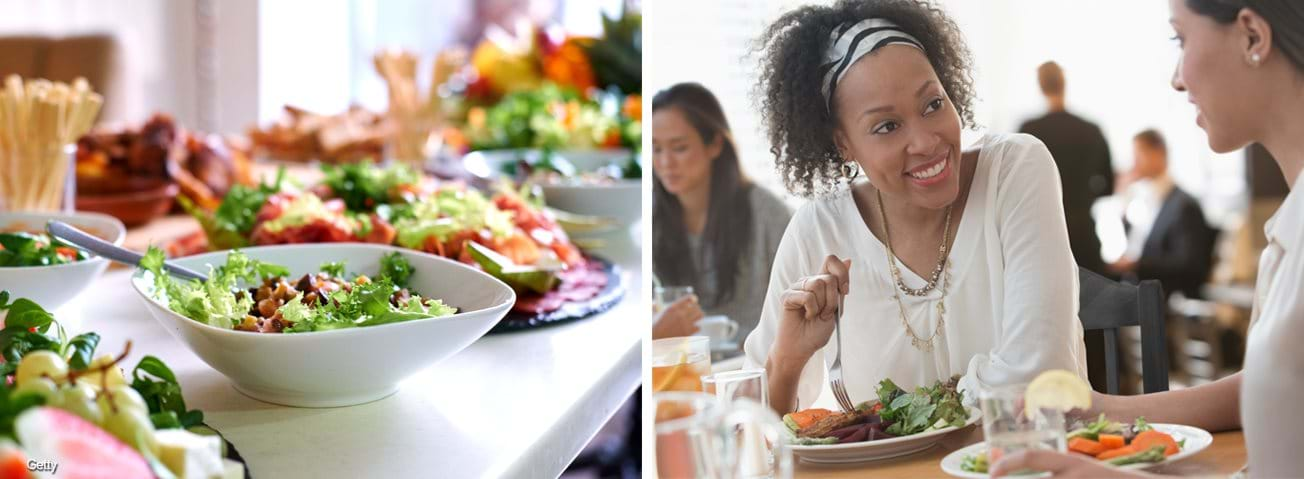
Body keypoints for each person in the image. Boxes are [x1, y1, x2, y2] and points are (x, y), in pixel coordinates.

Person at [992, 0, 1304, 476]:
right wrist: (1101, 409)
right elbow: (1278, 386)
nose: (1176, 78)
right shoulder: (1290, 227)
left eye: (1180, 39)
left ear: (1252, 37)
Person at [743, 0, 1088, 415]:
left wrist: (888, 422)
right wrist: (787, 360)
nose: (926, 142)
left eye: (933, 105)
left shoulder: (1014, 170)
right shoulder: (818, 229)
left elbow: (1035, 383)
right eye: (887, 126)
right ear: (843, 144)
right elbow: (749, 428)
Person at [651, 83, 793, 347]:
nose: (665, 162)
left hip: (755, 368)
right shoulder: (649, 221)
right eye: (656, 149)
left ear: (715, 144)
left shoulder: (767, 215)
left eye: (679, 148)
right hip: (677, 372)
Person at [1019, 61, 1116, 276]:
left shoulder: (1028, 131)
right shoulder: (1092, 130)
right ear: (1064, 84)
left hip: (1042, 237)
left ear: (1041, 87)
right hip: (1084, 236)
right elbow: (1109, 187)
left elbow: (1017, 186)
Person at [1109, 129, 1217, 300]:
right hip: (1140, 291)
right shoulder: (1143, 198)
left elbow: (1187, 264)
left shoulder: (1184, 205)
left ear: (1159, 154)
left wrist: (1136, 265)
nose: (1134, 163)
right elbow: (1135, 243)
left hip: (1167, 296)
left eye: (1138, 155)